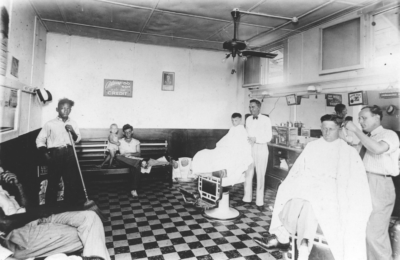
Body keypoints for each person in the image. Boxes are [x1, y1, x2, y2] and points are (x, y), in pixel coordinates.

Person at [254, 114, 372, 260]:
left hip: (330, 192)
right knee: (300, 199)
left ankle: (284, 236)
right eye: (324, 129)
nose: (327, 133)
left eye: (331, 129)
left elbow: (350, 181)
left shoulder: (347, 151)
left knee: (308, 201)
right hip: (309, 188)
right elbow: (298, 170)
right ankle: (303, 247)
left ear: (339, 129)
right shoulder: (312, 146)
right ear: (320, 128)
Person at [0, 167, 110, 260]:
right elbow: (5, 223)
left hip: (35, 221)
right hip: (18, 234)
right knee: (89, 233)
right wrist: (38, 213)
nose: (3, 172)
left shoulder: (3, 187)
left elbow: (26, 208)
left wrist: (18, 186)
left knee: (90, 217)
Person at [344, 105, 400, 260]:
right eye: (359, 118)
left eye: (364, 118)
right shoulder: (368, 137)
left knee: (374, 234)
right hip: (364, 182)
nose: (361, 121)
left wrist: (356, 130)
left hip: (379, 184)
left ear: (377, 117)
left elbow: (377, 149)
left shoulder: (389, 135)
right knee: (362, 230)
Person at [36, 98, 83, 207]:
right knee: (53, 181)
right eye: (62, 108)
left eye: (68, 109)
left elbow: (77, 139)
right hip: (56, 153)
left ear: (70, 110)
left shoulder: (73, 123)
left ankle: (70, 206)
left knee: (71, 181)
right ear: (57, 109)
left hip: (70, 153)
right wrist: (45, 154)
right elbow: (40, 140)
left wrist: (72, 131)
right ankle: (50, 208)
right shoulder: (50, 124)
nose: (65, 111)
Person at [192, 113, 253, 186]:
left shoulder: (242, 130)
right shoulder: (232, 129)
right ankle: (201, 171)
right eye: (232, 120)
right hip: (228, 149)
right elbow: (225, 140)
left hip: (236, 151)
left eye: (235, 120)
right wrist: (221, 146)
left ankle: (211, 172)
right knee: (204, 153)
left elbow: (243, 145)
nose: (234, 122)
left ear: (240, 120)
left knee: (222, 158)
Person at [237, 99, 272, 211]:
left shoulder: (266, 119)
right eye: (250, 107)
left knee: (260, 175)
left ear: (258, 107)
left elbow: (269, 137)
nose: (251, 109)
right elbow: (246, 134)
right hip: (250, 148)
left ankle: (259, 202)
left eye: (253, 107)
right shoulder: (248, 119)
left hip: (261, 148)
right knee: (248, 174)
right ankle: (247, 199)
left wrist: (256, 139)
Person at [114, 124, 141, 197]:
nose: (127, 134)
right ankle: (137, 163)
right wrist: (124, 156)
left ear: (132, 132)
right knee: (118, 157)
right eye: (126, 132)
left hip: (132, 160)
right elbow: (115, 153)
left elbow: (138, 153)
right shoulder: (120, 141)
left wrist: (130, 154)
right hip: (122, 161)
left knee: (135, 166)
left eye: (129, 132)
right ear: (123, 133)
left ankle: (133, 189)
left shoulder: (136, 141)